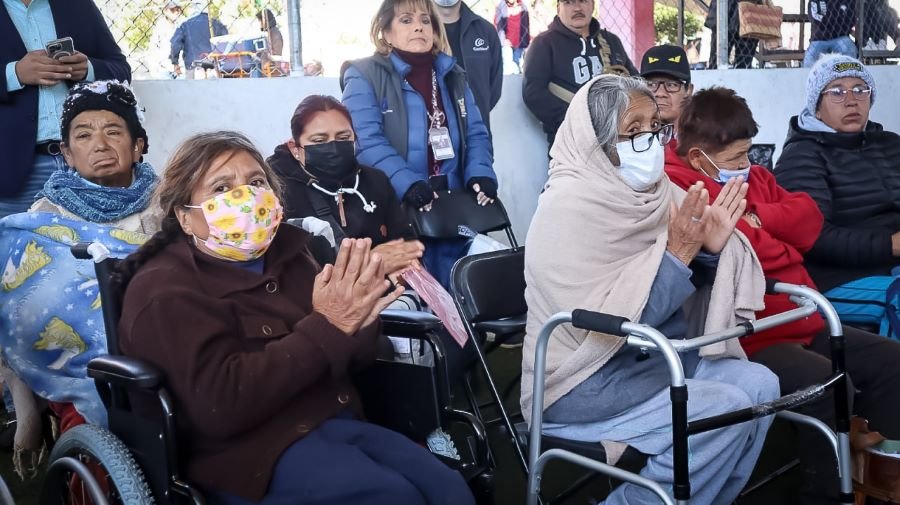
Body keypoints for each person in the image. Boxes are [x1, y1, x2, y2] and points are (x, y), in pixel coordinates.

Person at [115, 130, 475, 505]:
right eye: (222, 189)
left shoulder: (294, 254)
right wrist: (329, 325)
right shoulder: (164, 292)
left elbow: (360, 355)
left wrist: (362, 315)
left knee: (450, 490)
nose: (246, 197)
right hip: (247, 457)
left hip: (334, 420)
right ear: (185, 218)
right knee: (391, 496)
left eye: (256, 182)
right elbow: (220, 408)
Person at [522, 74, 779, 505]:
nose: (650, 143)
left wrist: (709, 251)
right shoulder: (566, 209)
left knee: (761, 385)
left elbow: (676, 290)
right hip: (584, 381)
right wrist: (679, 253)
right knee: (723, 410)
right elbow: (622, 326)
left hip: (657, 358)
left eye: (654, 128)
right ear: (595, 142)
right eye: (633, 132)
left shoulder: (658, 192)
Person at [666, 86, 900, 504]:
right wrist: (778, 240)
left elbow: (809, 219)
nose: (746, 166)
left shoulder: (751, 175)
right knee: (830, 385)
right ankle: (827, 495)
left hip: (801, 315)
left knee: (889, 360)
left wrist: (761, 218)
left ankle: (885, 476)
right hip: (746, 336)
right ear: (699, 156)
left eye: (747, 154)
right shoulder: (678, 185)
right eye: (736, 158)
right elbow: (747, 249)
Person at [0, 80, 160, 477]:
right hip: (77, 361)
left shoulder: (169, 204)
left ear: (138, 145)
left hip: (158, 338)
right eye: (84, 135)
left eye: (113, 131)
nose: (100, 144)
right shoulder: (43, 217)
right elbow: (28, 299)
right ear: (68, 154)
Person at [341, 0, 497, 289]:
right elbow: (365, 141)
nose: (418, 27)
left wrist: (481, 173)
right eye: (406, 20)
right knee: (422, 297)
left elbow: (476, 132)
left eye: (426, 21)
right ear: (385, 33)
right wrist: (408, 184)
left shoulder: (453, 75)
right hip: (397, 209)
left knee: (461, 293)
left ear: (436, 31)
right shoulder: (363, 75)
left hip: (450, 207)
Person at [774, 54, 900, 336]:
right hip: (833, 279)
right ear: (816, 108)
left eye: (860, 90)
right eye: (837, 92)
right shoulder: (802, 155)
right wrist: (889, 245)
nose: (851, 100)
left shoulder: (890, 144)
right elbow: (811, 237)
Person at [0, 0, 132, 218]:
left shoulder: (76, 5)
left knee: (95, 248)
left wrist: (88, 69)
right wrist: (14, 74)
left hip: (87, 163)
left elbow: (121, 70)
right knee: (11, 249)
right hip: (11, 171)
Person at [267, 94, 423, 273]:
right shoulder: (278, 192)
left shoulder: (376, 181)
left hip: (387, 292)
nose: (333, 148)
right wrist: (372, 262)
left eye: (343, 137)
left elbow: (406, 245)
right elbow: (284, 267)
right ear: (295, 148)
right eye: (319, 141)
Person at [522, 0, 638, 145]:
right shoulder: (544, 43)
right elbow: (534, 93)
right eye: (569, 2)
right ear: (559, 8)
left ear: (593, 5)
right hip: (570, 141)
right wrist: (578, 121)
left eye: (583, 1)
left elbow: (636, 84)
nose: (577, 8)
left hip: (618, 139)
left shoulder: (611, 41)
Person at [432, 0, 503, 132]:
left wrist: (474, 113)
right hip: (432, 135)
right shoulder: (416, 32)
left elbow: (494, 88)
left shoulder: (485, 31)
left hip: (477, 136)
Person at [639, 44, 693, 131]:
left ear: (689, 90)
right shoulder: (630, 139)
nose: (660, 93)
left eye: (671, 85)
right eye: (651, 85)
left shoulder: (704, 138)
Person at [169, 2, 228, 78]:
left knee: (193, 88)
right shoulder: (216, 23)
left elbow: (175, 44)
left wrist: (175, 62)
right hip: (214, 65)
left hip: (193, 65)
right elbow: (226, 41)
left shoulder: (185, 24)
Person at [705, 0, 758, 69]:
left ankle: (716, 75)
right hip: (743, 10)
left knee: (744, 61)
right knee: (717, 61)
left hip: (746, 11)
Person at [804, 0, 857, 67]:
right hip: (819, 39)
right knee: (809, 58)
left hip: (840, 37)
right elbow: (816, 20)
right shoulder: (815, 1)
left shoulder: (847, 1)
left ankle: (848, 74)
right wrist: (838, 19)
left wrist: (830, 20)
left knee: (849, 50)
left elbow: (850, 20)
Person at [494, 0, 531, 74]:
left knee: (517, 66)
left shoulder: (523, 6)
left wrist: (526, 42)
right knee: (507, 69)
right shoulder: (501, 6)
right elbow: (498, 24)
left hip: (519, 43)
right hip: (506, 44)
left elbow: (526, 25)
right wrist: (503, 40)